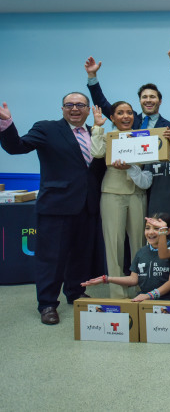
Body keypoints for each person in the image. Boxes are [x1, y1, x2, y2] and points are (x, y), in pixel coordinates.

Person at [0, 95, 106, 325]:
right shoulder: (47, 129)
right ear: (62, 109)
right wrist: (6, 124)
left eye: (80, 105)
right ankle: (47, 304)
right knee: (51, 258)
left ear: (89, 110)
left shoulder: (96, 132)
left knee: (81, 255)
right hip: (56, 207)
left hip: (88, 206)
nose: (75, 109)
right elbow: (17, 147)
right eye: (70, 105)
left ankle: (75, 293)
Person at [90, 104, 151, 298]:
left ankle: (139, 288)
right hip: (112, 193)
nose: (126, 116)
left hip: (137, 192)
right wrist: (98, 127)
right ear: (113, 118)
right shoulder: (108, 137)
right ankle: (117, 292)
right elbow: (97, 153)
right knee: (114, 244)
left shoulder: (144, 137)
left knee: (139, 244)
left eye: (129, 113)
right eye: (120, 113)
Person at [81, 213, 170, 301]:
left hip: (167, 301)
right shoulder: (141, 252)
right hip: (144, 300)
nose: (150, 232)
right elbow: (134, 279)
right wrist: (107, 279)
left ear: (168, 230)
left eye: (156, 228)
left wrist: (150, 295)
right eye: (147, 228)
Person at [84, 57, 170, 130]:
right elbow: (102, 104)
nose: (148, 100)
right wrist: (92, 76)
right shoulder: (128, 118)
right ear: (140, 101)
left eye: (152, 97)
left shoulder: (169, 127)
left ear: (160, 101)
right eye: (144, 97)